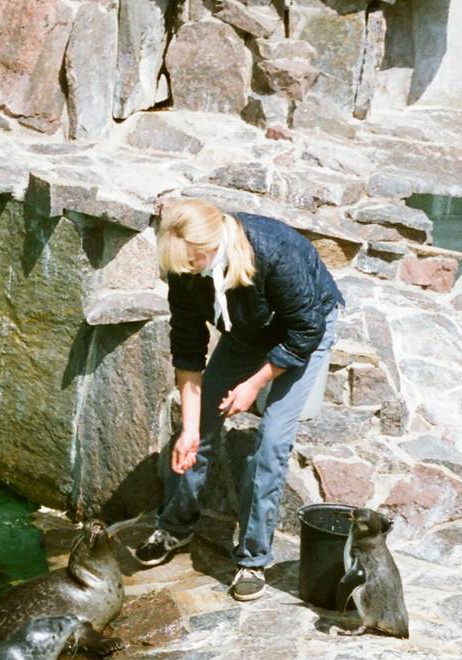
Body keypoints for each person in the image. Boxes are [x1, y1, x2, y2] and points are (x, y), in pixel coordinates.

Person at [131, 200, 344, 601]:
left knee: (272, 441)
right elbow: (188, 349)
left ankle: (252, 559)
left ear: (210, 247)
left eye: (191, 263)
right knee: (196, 432)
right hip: (246, 331)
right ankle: (176, 525)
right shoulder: (185, 268)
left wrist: (254, 384)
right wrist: (190, 429)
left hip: (304, 332)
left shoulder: (273, 250)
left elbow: (306, 328)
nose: (185, 272)